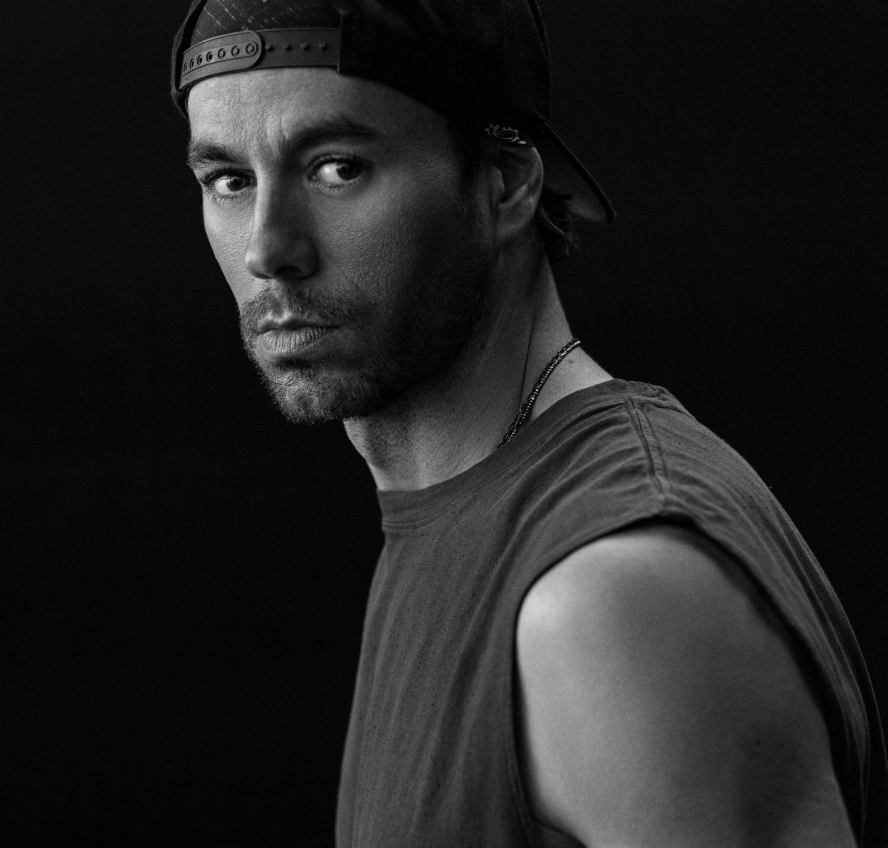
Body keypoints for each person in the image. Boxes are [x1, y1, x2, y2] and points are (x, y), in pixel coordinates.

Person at [170, 0, 886, 845]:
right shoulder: (456, 509)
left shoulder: (614, 596)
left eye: (338, 168)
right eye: (230, 180)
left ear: (506, 183)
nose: (268, 249)